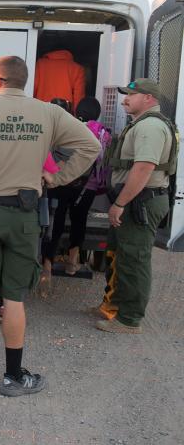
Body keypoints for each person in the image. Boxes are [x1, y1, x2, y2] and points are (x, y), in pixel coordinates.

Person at [0, 56, 99, 396]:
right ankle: (13, 377)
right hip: (26, 216)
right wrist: (57, 177)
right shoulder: (49, 113)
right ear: (23, 82)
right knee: (14, 298)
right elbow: (91, 146)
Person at [95, 79, 176, 333]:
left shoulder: (150, 127)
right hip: (137, 199)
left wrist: (120, 203)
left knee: (134, 259)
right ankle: (114, 307)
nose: (124, 99)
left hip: (139, 201)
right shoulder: (143, 124)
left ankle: (129, 319)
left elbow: (143, 168)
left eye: (131, 95)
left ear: (149, 98)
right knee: (120, 255)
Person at [41, 97, 109, 283]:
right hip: (87, 186)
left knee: (55, 223)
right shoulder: (103, 133)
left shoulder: (66, 129)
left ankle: (47, 266)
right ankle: (72, 262)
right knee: (79, 222)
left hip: (61, 183)